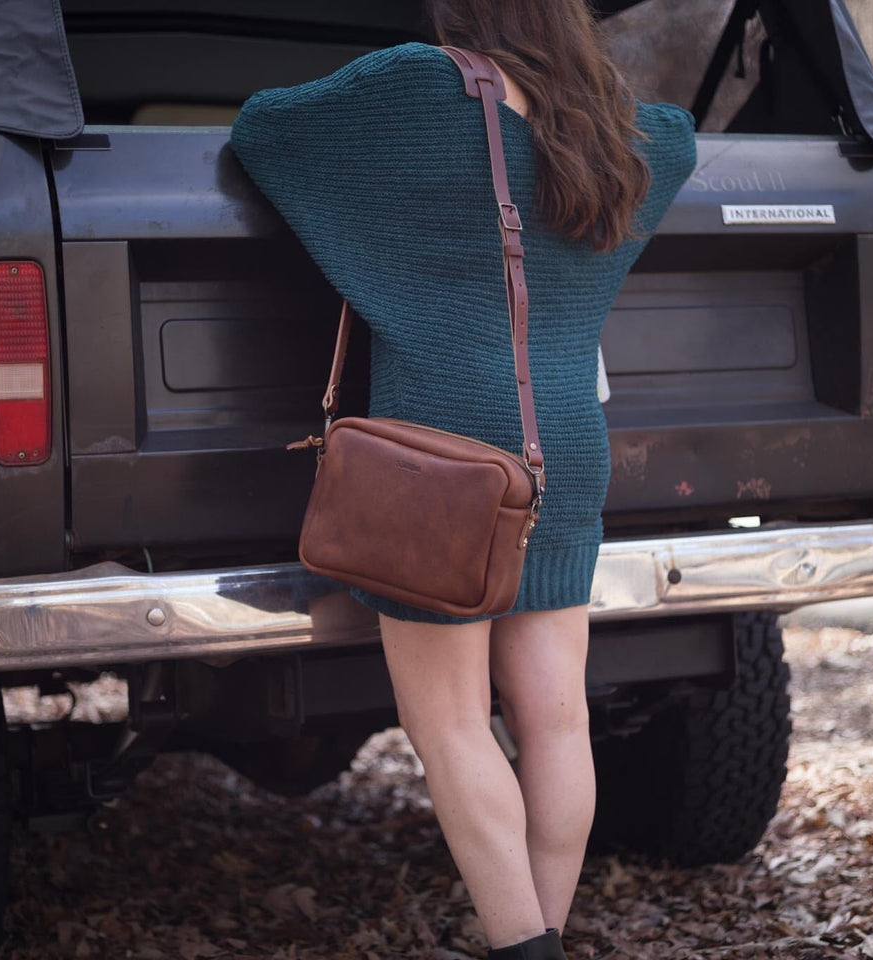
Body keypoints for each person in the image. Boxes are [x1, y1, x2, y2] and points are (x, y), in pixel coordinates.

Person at [229, 2, 697, 957]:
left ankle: (521, 947)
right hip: (566, 439)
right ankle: (546, 936)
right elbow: (680, 136)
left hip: (442, 451)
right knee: (556, 716)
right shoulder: (617, 127)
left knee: (446, 722)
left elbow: (263, 129)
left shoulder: (411, 86)